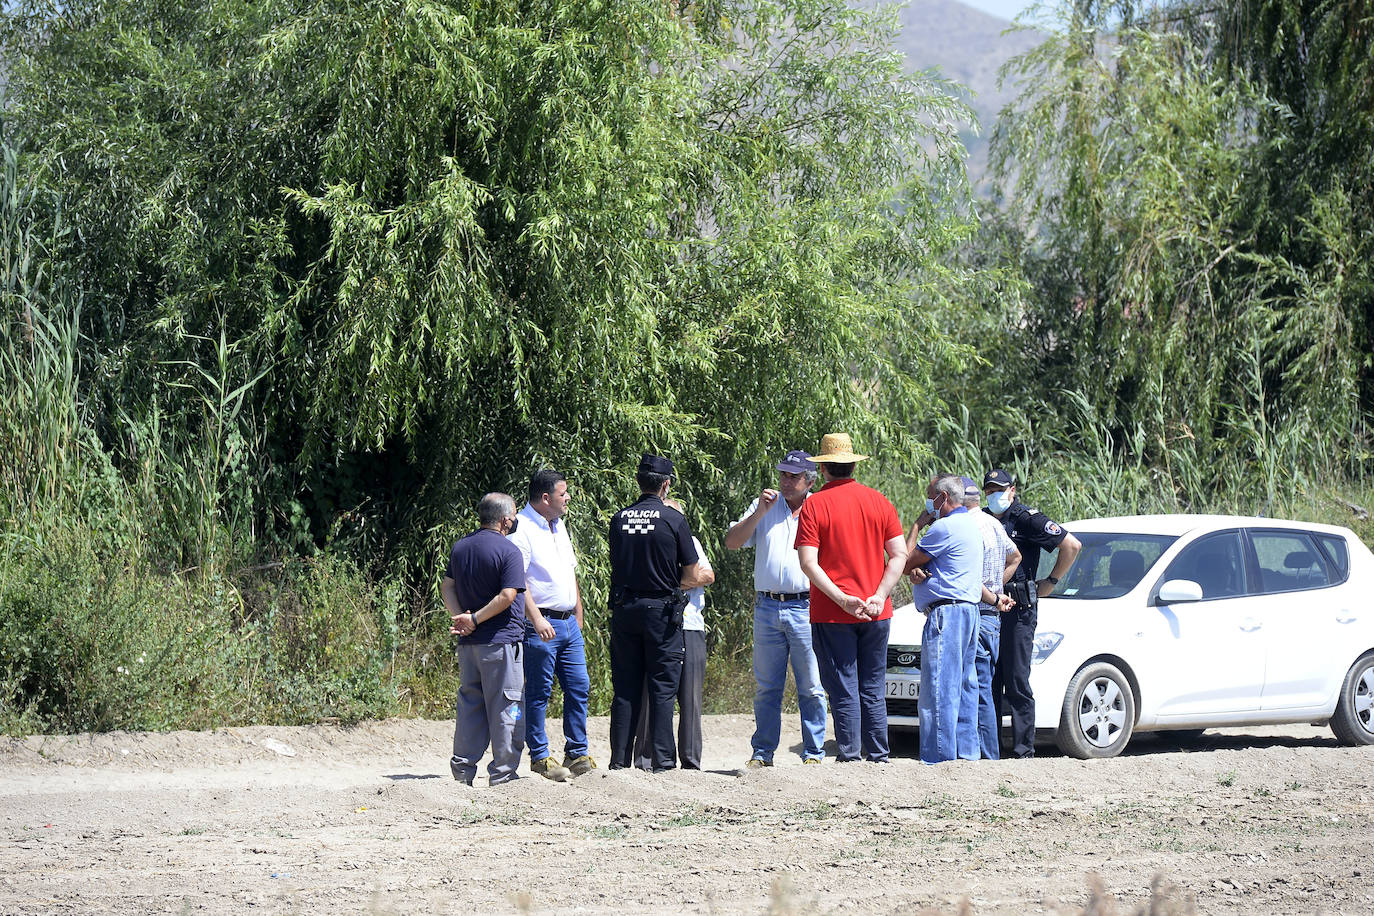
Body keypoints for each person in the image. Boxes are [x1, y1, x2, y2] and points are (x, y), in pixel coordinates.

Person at [794, 433, 906, 763]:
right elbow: (899, 554)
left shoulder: (813, 504)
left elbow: (807, 562)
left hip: (832, 613)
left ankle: (850, 757)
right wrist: (879, 594)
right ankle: (879, 756)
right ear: (854, 465)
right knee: (872, 686)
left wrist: (842, 599)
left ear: (824, 467)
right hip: (876, 611)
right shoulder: (879, 501)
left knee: (843, 687)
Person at [725, 449, 828, 767]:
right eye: (783, 474)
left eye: (793, 476)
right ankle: (762, 752)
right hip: (767, 605)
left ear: (809, 481)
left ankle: (813, 752)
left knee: (811, 685)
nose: (785, 481)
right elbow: (732, 542)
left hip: (806, 605)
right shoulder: (764, 505)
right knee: (767, 685)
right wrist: (758, 513)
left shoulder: (821, 507)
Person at [607, 454, 706, 771]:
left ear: (639, 482)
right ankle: (663, 761)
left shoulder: (620, 518)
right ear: (666, 484)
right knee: (662, 688)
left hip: (625, 609)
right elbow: (692, 573)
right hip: (661, 612)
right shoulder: (674, 520)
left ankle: (619, 761)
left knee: (625, 689)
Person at [983, 468, 1082, 759]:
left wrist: (1050, 582)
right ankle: (989, 749)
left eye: (999, 489)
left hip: (1018, 606)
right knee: (989, 679)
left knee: (1015, 679)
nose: (994, 495)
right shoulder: (983, 520)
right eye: (989, 491)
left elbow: (1071, 545)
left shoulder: (1026, 519)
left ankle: (1023, 750)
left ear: (1012, 490)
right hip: (988, 605)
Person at [508, 469, 594, 783]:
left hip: (568, 624)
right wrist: (537, 618)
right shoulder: (523, 529)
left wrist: (577, 614)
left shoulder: (558, 526)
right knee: (539, 692)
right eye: (563, 493)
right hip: (541, 624)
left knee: (579, 686)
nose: (568, 497)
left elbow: (570, 573)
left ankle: (577, 752)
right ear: (546, 498)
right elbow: (518, 581)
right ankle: (540, 756)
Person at [443, 493, 527, 787]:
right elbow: (508, 596)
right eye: (514, 516)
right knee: (508, 706)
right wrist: (475, 619)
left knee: (470, 706)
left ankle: (462, 772)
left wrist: (461, 619)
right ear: (505, 520)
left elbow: (447, 586)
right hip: (501, 643)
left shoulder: (461, 547)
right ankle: (503, 775)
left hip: (469, 646)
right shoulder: (509, 551)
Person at [634, 497, 714, 769]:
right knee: (650, 693)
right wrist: (683, 580)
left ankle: (690, 761)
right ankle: (645, 758)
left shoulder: (692, 542)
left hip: (690, 625)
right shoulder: (649, 542)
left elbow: (707, 575)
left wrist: (670, 582)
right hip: (657, 625)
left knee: (690, 697)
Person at [961, 477, 1020, 759]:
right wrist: (996, 587)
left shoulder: (968, 526)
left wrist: (991, 594)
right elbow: (1015, 557)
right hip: (991, 615)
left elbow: (969, 578)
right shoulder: (994, 524)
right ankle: (988, 753)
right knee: (984, 686)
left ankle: (979, 753)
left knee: (973, 686)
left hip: (977, 610)